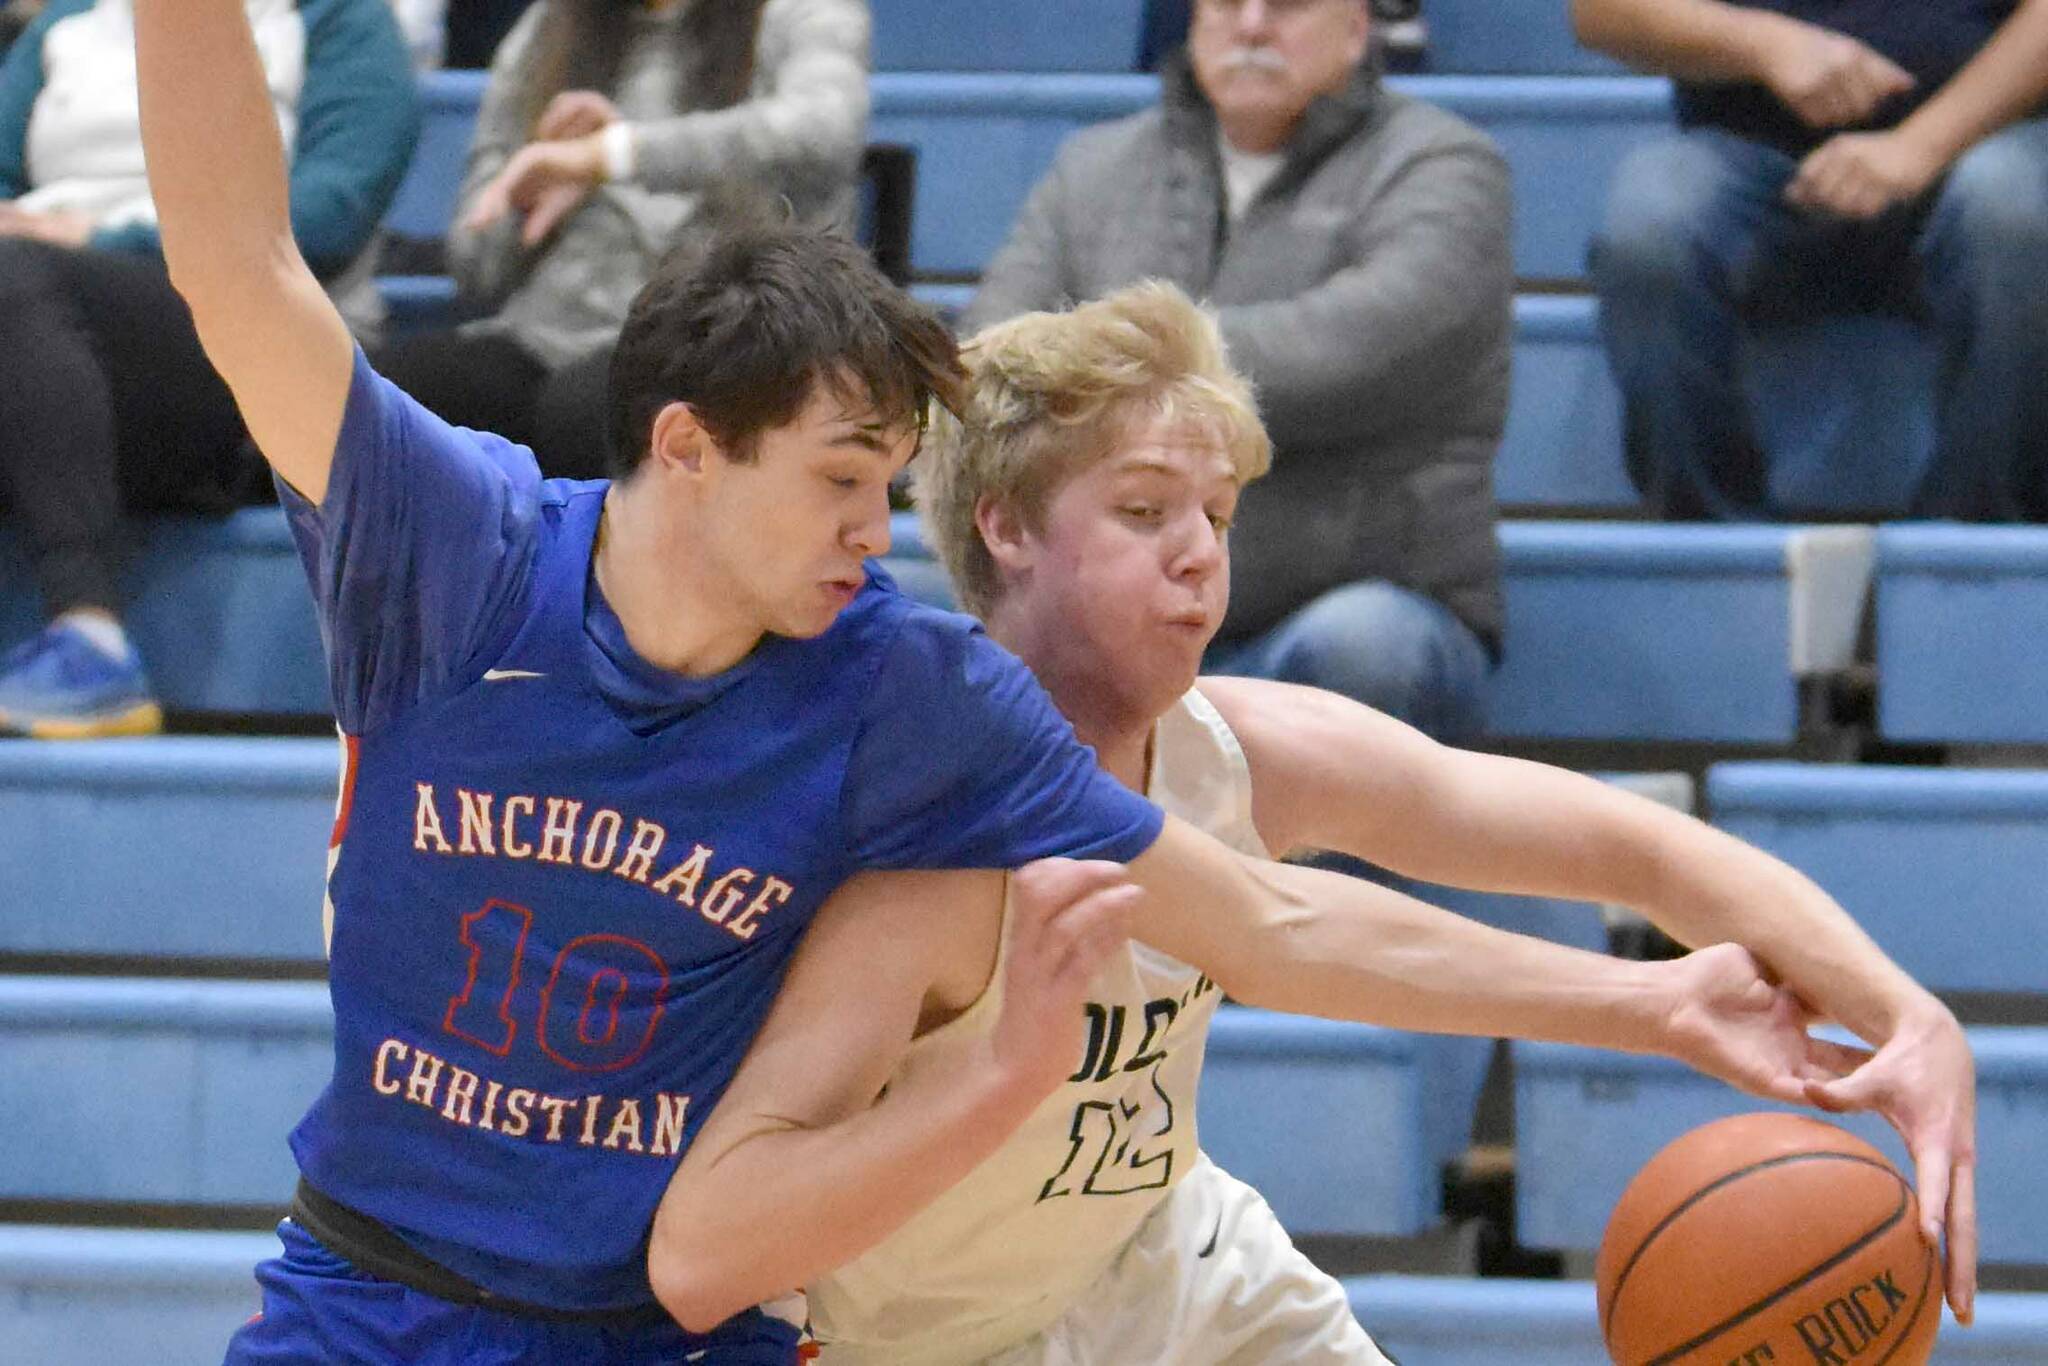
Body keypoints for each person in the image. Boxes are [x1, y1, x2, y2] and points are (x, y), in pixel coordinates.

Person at [140, 1, 1977, 1357]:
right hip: (390, 1281)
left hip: (671, 1327)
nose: (881, 532)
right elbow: (235, 267)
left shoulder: (898, 692)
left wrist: (1667, 1012)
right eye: (844, 484)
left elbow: (1279, 931)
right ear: (688, 450)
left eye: (892, 486)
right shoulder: (453, 544)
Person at [645, 284, 1983, 1361]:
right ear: (1003, 527)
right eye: (1144, 511)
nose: (1199, 554)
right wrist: (1650, 1003)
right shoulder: (926, 819)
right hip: (906, 1340)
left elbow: (1632, 847)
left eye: (1218, 515)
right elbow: (1287, 927)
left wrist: (1906, 1015)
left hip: (1163, 1266)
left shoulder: (1249, 748)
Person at [965, 0, 1509, 746]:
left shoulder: (1445, 167)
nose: (1251, 25)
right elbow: (993, 359)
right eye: (1226, 3)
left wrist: (1102, 375)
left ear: (1357, 29)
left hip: (1344, 607)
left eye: (1285, 5)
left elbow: (1351, 352)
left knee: (1365, 647)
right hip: (1109, 611)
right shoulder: (1091, 168)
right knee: (915, 605)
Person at [0, 0, 417, 738]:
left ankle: (89, 634)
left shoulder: (336, 18)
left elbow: (330, 214)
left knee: (15, 275)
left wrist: (98, 239)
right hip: (39, 326)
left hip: (243, 343)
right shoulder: (66, 22)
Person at [1578, 0, 2048, 520]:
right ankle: (1715, 551)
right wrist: (1763, 44)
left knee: (2017, 208)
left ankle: (1972, 552)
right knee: (1651, 221)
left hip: (1980, 144)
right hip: (1753, 160)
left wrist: (1920, 146)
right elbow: (1602, 11)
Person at [370, 0, 870, 480]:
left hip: (718, 342)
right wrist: (531, 187)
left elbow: (823, 128)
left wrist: (616, 155)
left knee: (588, 410)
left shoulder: (801, 12)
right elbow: (474, 266)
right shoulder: (550, 26)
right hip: (542, 338)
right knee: (372, 400)